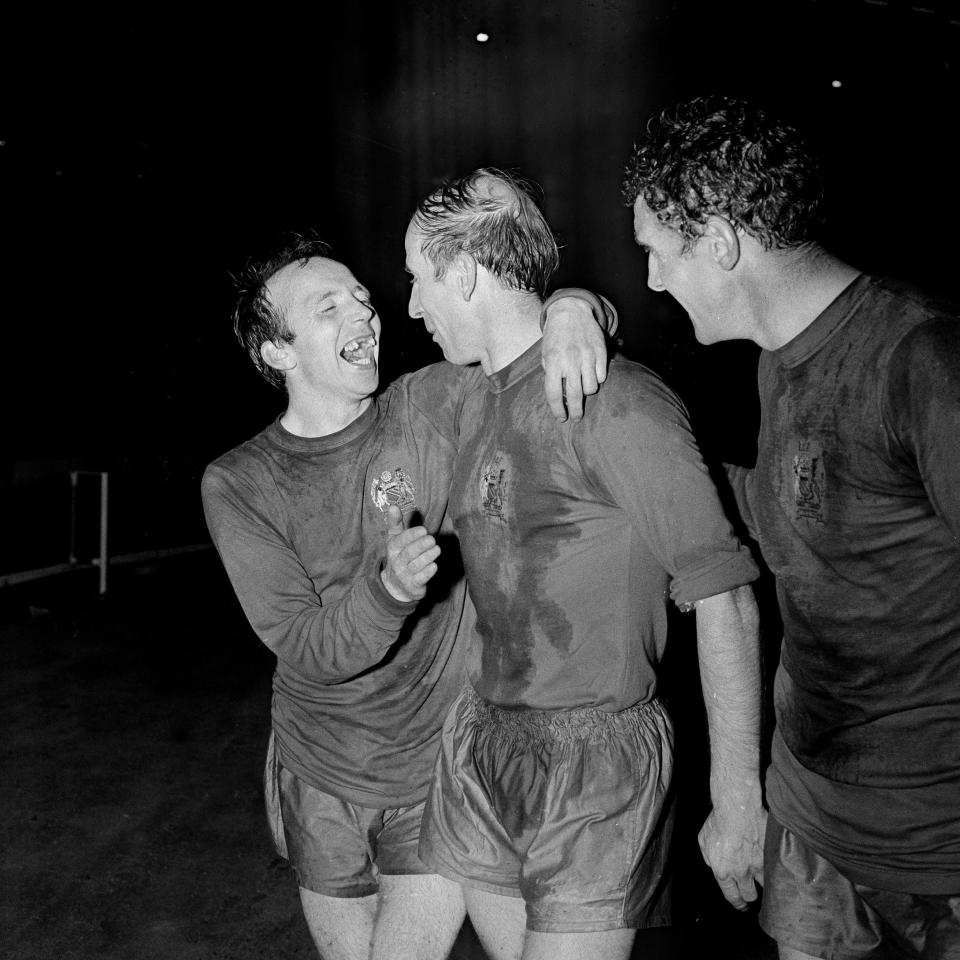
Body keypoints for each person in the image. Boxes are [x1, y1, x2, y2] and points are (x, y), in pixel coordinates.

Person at [200, 234, 614, 960]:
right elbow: (305, 645)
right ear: (278, 353)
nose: (364, 313)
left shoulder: (433, 401)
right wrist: (388, 591)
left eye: (361, 296)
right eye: (329, 308)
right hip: (319, 769)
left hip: (435, 768)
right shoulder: (239, 482)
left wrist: (578, 308)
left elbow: (521, 348)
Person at [622, 95, 960, 960]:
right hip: (813, 810)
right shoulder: (782, 361)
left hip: (937, 836)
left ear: (725, 246)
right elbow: (807, 517)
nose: (653, 280)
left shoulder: (922, 356)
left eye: (658, 255)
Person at [405, 168, 766, 960]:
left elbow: (725, 596)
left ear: (462, 273)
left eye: (418, 279)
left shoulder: (619, 400)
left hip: (595, 764)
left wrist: (738, 800)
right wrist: (580, 300)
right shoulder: (473, 397)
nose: (411, 306)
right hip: (484, 740)